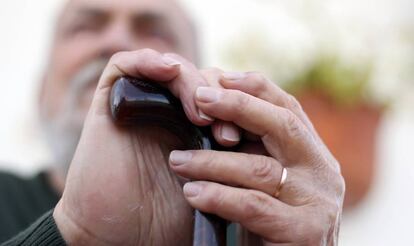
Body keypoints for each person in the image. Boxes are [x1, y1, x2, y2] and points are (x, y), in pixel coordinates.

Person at [0, 0, 345, 245]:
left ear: (200, 78)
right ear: (41, 90)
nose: (116, 42)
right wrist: (74, 233)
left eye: (156, 32)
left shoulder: (257, 224)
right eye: (85, 27)